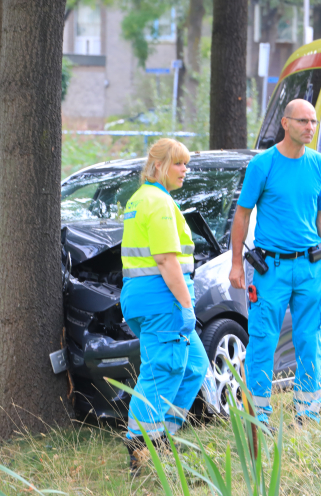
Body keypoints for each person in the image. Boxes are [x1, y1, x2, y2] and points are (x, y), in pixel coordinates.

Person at [229, 98, 321, 426]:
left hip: (310, 268)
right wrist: (237, 263)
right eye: (302, 121)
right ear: (285, 124)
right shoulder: (263, 165)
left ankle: (307, 415)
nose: (309, 127)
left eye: (313, 122)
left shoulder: (319, 166)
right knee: (263, 343)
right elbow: (242, 215)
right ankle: (257, 418)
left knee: (310, 341)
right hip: (271, 270)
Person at [120, 138, 210, 472]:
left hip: (144, 296)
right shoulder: (158, 203)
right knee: (162, 371)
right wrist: (187, 306)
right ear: (159, 166)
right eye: (178, 163)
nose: (185, 169)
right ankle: (142, 454)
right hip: (164, 299)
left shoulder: (139, 199)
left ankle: (160, 442)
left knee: (193, 366)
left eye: (186, 163)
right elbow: (165, 260)